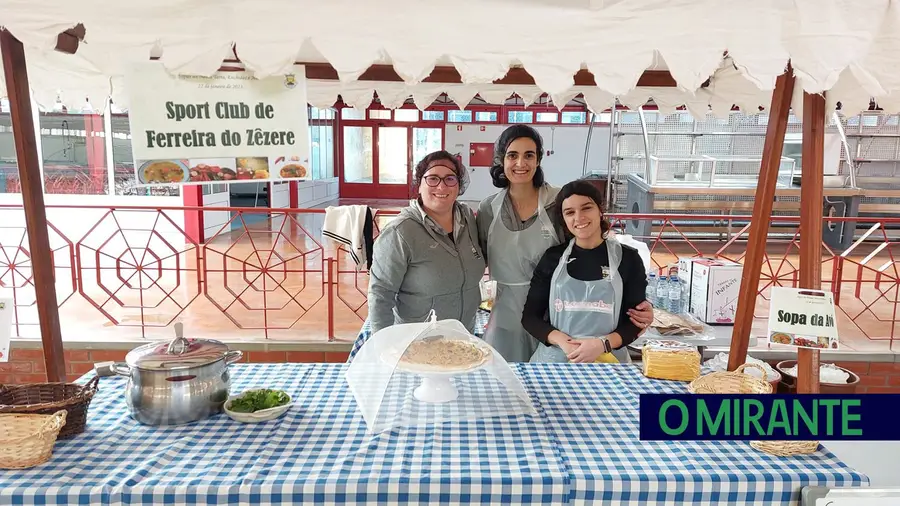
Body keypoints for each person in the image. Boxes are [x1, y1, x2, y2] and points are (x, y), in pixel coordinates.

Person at [477, 125, 653, 362]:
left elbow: (591, 252)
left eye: (529, 155)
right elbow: (475, 262)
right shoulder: (489, 209)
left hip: (556, 318)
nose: (521, 163)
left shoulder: (557, 202)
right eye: (512, 155)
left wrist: (638, 305)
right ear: (501, 159)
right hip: (506, 316)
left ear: (539, 159)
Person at [523, 179, 649, 363]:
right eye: (570, 212)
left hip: (610, 362)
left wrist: (602, 345)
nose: (578, 217)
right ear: (564, 220)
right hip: (557, 360)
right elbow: (530, 317)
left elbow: (635, 322)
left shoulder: (628, 259)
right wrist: (564, 342)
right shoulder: (552, 258)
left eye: (586, 208)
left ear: (600, 210)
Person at [367, 150, 486, 334]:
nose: (441, 187)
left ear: (459, 185)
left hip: (463, 336)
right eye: (432, 178)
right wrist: (384, 345)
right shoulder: (400, 232)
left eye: (450, 179)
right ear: (419, 185)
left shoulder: (468, 219)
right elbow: (380, 294)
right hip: (418, 343)